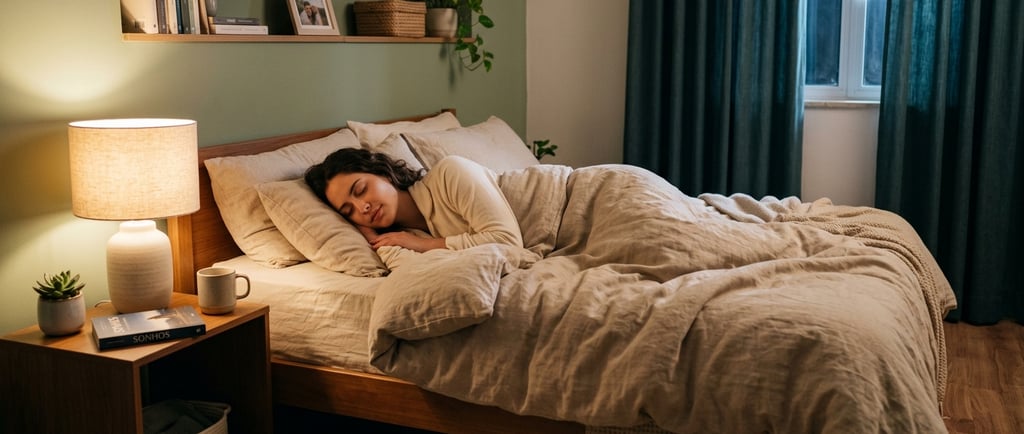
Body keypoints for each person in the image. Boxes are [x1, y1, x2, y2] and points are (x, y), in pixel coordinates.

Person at [304, 148, 523, 253]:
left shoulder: (450, 173)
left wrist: (423, 245)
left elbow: (508, 241)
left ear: (383, 173)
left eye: (361, 190)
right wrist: (368, 234)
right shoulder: (404, 238)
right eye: (348, 210)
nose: (363, 207)